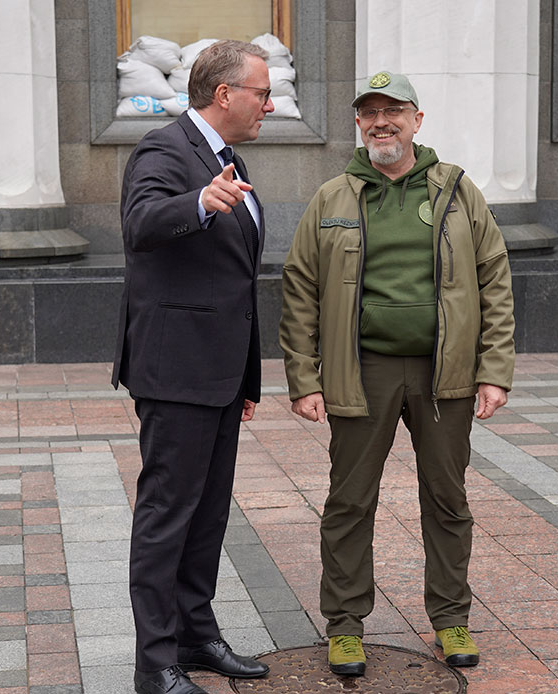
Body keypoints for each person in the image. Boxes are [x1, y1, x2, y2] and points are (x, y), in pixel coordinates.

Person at [279, 71, 516, 677]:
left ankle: (451, 617)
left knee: (447, 498)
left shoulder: (459, 192)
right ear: (358, 123)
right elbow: (300, 290)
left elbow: (494, 279)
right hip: (363, 371)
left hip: (446, 374)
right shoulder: (333, 196)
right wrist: (305, 379)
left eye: (394, 112)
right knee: (350, 501)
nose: (381, 122)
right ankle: (346, 626)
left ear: (417, 119)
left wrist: (494, 370)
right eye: (370, 113)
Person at [113, 39, 275, 694]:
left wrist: (245, 376)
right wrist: (197, 205)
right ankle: (155, 664)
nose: (269, 103)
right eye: (261, 92)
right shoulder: (164, 150)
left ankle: (195, 636)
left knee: (207, 514)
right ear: (224, 94)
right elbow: (138, 223)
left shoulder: (226, 157)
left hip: (218, 373)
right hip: (175, 372)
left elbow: (234, 280)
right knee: (167, 516)